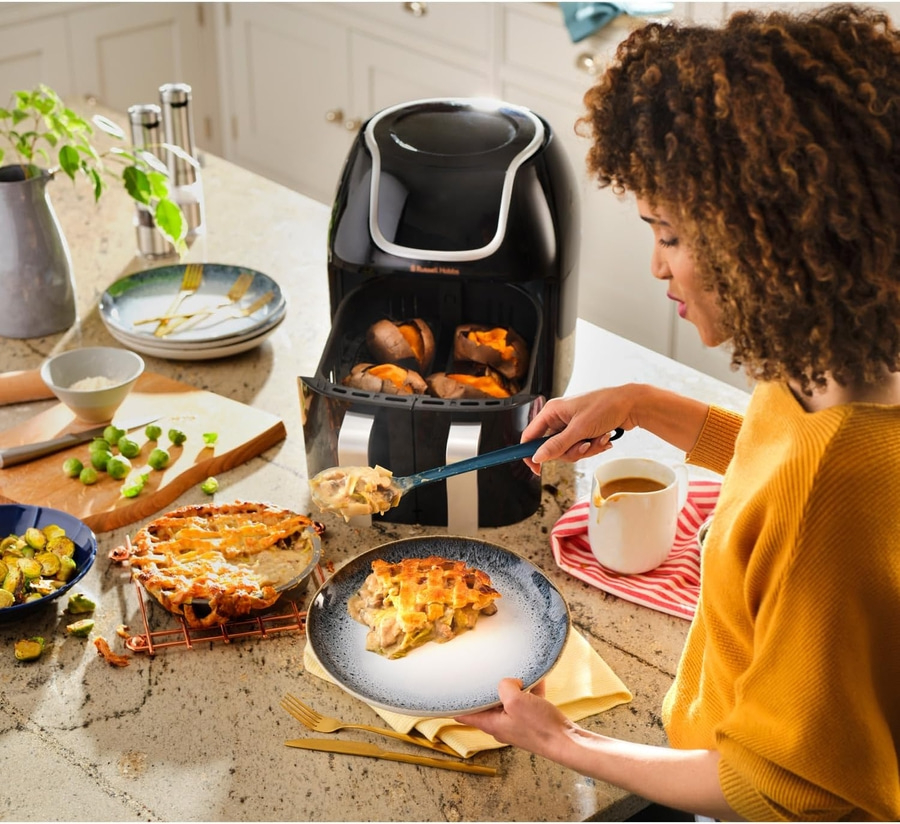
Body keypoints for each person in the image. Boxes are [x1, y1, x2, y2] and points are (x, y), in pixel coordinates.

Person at [456, 5, 900, 820]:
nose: (657, 264)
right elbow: (777, 463)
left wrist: (564, 743)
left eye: (670, 234)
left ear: (762, 238)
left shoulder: (835, 490)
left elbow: (784, 792)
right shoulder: (841, 369)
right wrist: (639, 403)